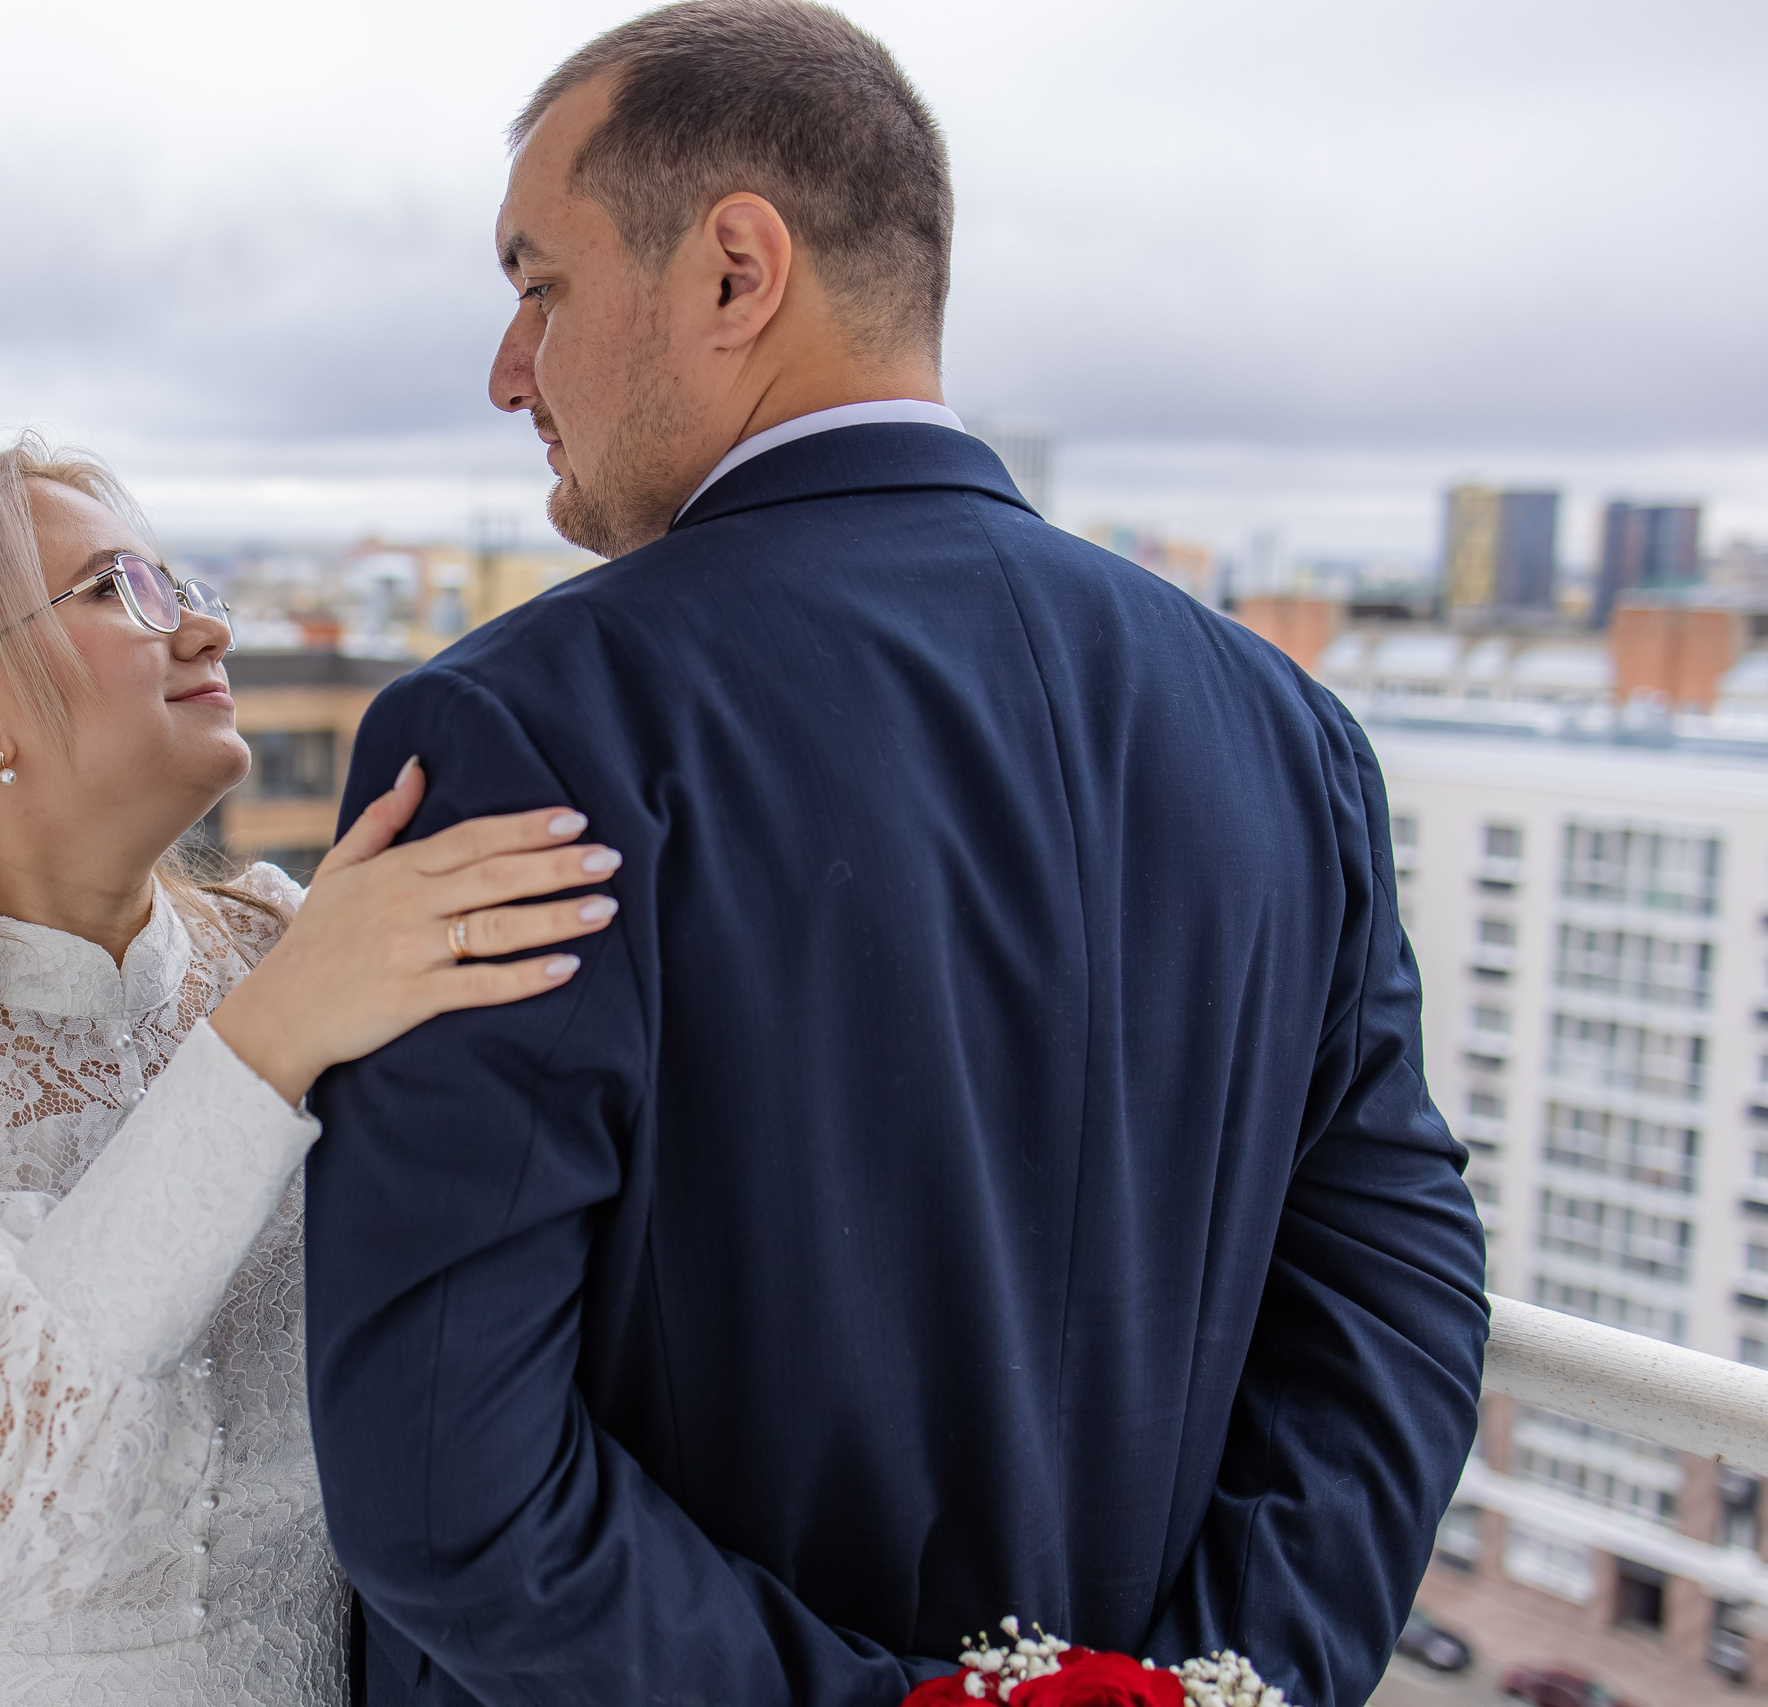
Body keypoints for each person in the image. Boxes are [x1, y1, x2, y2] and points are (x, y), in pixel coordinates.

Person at [303, 5, 1489, 1706]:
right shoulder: (1287, 727)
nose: (509, 368)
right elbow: (1397, 1289)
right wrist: (1220, 1684)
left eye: (540, 284)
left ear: (733, 270)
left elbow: (441, 1477)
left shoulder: (524, 725)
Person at [0, 439, 618, 1706]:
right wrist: (271, 1042)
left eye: (182, 583)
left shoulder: (288, 942)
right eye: (124, 591)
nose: (209, 628)